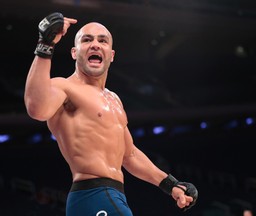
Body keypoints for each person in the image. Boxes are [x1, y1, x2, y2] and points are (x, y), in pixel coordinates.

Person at [24, 12, 198, 216]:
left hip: (112, 195)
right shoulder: (64, 87)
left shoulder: (114, 99)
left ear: (111, 55)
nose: (95, 44)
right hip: (91, 194)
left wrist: (171, 185)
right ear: (74, 52)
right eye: (87, 40)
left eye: (102, 40)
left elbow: (130, 155)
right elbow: (36, 108)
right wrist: (45, 45)